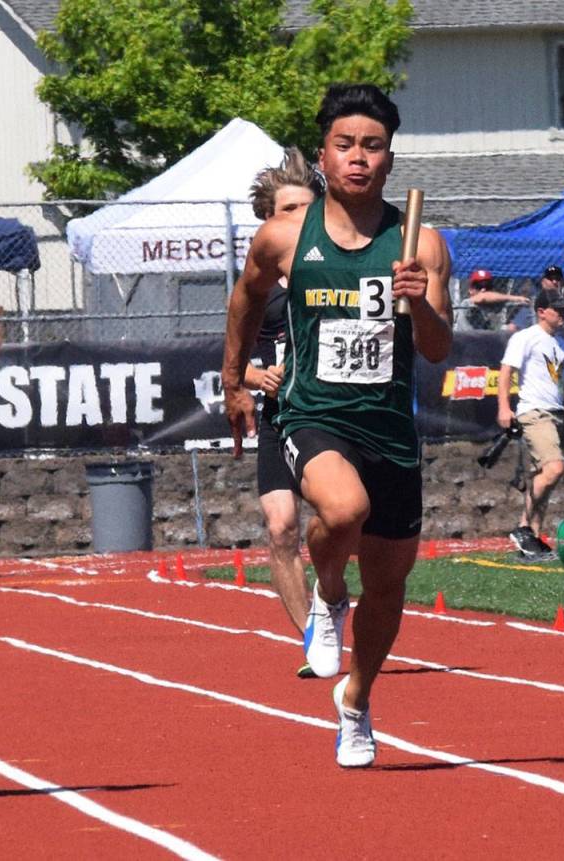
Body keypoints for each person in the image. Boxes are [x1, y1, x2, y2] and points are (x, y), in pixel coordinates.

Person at [223, 84, 452, 768]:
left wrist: (422, 303)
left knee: (387, 587)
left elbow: (438, 347)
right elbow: (245, 299)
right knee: (341, 506)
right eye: (345, 144)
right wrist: (233, 381)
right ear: (323, 154)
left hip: (390, 428)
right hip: (314, 412)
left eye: (372, 146)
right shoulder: (287, 236)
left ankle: (355, 699)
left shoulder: (420, 242)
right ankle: (326, 595)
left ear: (389, 158)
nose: (358, 158)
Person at [243, 148, 319, 674]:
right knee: (280, 528)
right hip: (277, 417)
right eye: (288, 210)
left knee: (340, 522)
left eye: (307, 209)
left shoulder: (333, 270)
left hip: (329, 415)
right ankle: (316, 637)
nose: (299, 220)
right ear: (270, 217)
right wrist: (254, 376)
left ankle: (331, 601)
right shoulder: (259, 281)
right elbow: (232, 357)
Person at [498, 290, 564, 557]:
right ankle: (522, 529)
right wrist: (504, 407)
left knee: (542, 479)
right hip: (534, 412)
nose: (563, 313)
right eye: (558, 309)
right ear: (541, 312)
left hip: (557, 414)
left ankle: (532, 542)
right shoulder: (526, 337)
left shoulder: (562, 344)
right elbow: (506, 370)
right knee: (554, 469)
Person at [456, 269, 529, 332]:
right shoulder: (467, 303)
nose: (483, 289)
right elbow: (482, 297)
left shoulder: (495, 307)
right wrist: (515, 298)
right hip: (467, 342)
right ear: (471, 290)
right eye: (479, 286)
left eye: (487, 286)